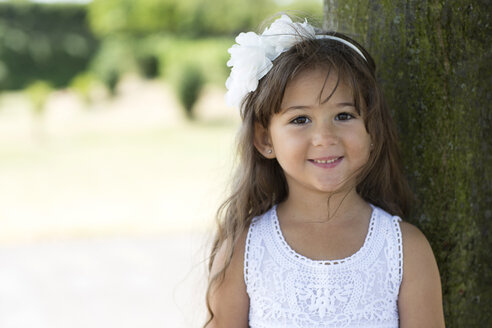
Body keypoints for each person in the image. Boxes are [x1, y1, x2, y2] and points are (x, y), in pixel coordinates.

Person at [204, 15, 445, 328]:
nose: (325, 138)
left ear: (372, 131)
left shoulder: (405, 250)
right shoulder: (243, 250)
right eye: (301, 119)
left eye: (344, 115)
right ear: (265, 140)